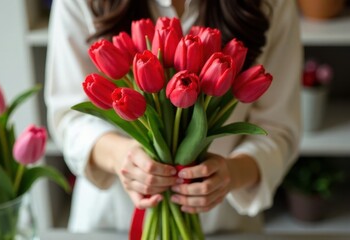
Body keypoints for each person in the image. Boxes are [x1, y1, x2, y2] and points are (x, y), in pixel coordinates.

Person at [45, 0, 302, 233]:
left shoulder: (273, 4)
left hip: (222, 221)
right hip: (111, 221)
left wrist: (231, 174)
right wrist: (121, 157)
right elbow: (69, 117)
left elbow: (279, 128)